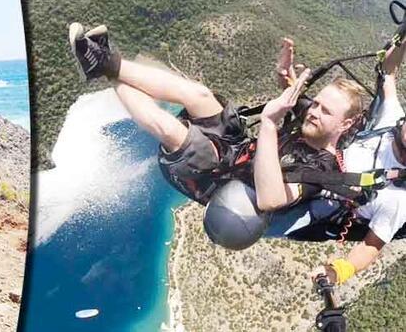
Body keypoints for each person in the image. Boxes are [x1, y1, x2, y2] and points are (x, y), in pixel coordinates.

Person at [68, 23, 364, 219]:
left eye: (325, 111)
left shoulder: (321, 171)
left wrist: (271, 124)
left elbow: (270, 199)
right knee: (198, 94)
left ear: (345, 125)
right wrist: (283, 72)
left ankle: (101, 69)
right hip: (238, 151)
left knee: (172, 130)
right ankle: (105, 61)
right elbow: (290, 93)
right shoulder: (313, 121)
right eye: (317, 104)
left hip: (219, 181)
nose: (313, 111)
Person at [268, 39, 406, 286]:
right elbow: (388, 72)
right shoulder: (392, 117)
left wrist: (338, 271)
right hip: (323, 155)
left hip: (326, 202)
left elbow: (372, 244)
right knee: (310, 112)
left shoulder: (398, 198)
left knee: (260, 216)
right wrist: (403, 41)